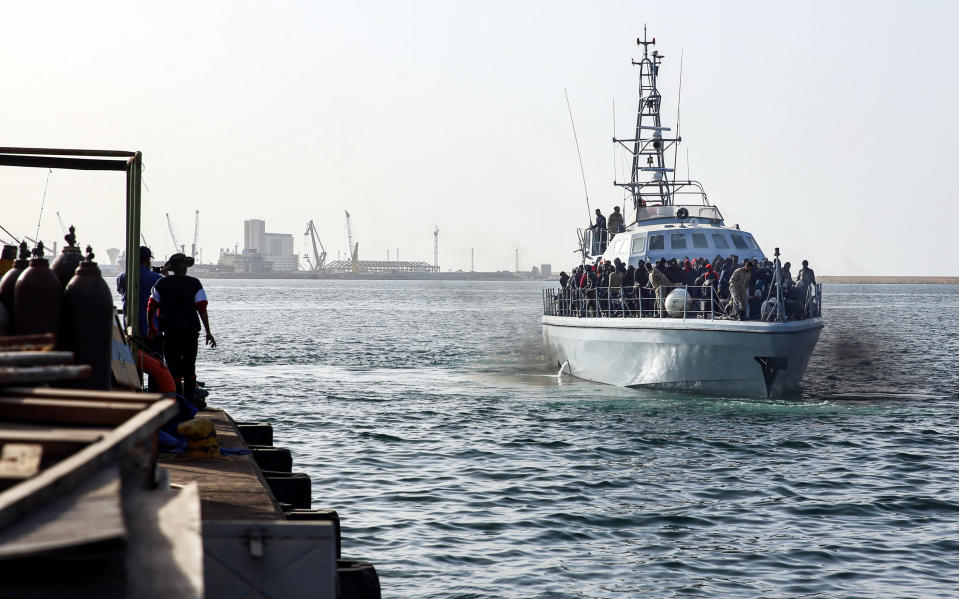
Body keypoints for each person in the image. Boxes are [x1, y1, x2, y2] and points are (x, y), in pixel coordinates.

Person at [147, 253, 216, 408]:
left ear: (171, 269)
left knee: (173, 367)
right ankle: (190, 401)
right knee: (190, 367)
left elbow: (151, 306)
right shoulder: (194, 283)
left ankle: (178, 401)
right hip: (190, 332)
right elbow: (202, 309)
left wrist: (151, 326)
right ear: (185, 268)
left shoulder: (161, 284)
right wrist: (208, 332)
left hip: (170, 332)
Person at [117, 245, 164, 341]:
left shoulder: (122, 277)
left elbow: (120, 291)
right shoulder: (157, 278)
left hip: (130, 331)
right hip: (151, 331)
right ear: (147, 260)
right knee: (155, 355)